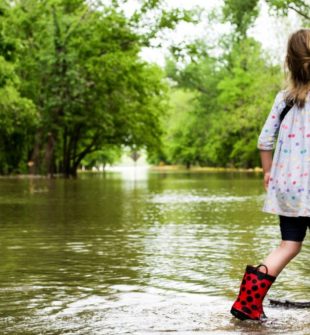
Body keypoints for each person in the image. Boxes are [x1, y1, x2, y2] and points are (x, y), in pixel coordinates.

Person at [230, 28, 310, 321]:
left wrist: (267, 173)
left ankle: (247, 303)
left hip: (288, 188)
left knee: (289, 245)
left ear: (289, 62)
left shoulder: (284, 99)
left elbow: (264, 141)